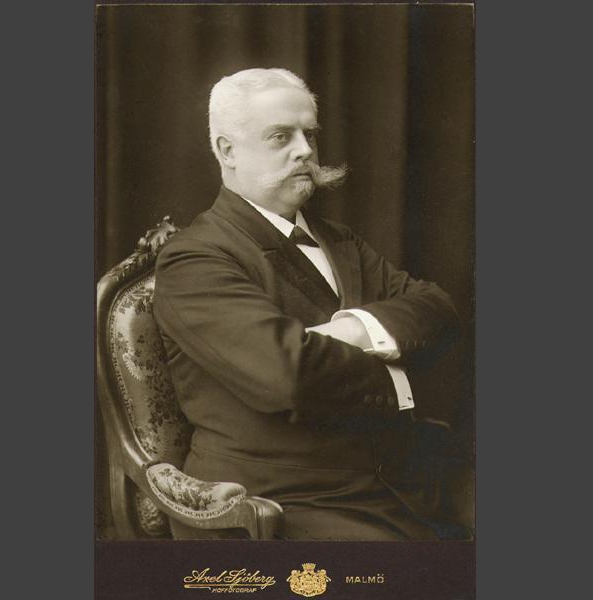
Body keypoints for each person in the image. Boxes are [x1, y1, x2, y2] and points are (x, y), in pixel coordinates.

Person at [153, 68, 462, 540]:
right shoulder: (194, 257)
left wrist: (354, 329)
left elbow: (439, 309)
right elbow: (288, 375)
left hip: (391, 481)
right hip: (278, 504)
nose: (305, 151)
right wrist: (394, 366)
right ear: (227, 151)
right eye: (281, 136)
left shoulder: (338, 240)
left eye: (309, 134)